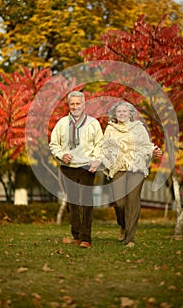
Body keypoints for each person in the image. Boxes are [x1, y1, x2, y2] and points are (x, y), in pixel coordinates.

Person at [102, 102, 162, 248]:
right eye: (119, 111)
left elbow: (146, 146)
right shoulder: (110, 129)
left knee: (133, 200)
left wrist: (153, 151)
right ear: (114, 114)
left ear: (130, 113)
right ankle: (122, 225)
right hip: (118, 167)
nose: (122, 113)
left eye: (125, 111)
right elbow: (105, 148)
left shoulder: (139, 128)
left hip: (136, 167)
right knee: (119, 202)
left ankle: (130, 238)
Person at [49, 91, 103, 248]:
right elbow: (54, 144)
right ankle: (76, 234)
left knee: (86, 202)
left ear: (84, 104)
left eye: (78, 103)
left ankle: (86, 238)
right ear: (69, 105)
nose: (75, 107)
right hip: (68, 168)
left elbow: (100, 144)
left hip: (87, 167)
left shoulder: (93, 123)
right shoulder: (61, 124)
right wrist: (61, 154)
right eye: (72, 104)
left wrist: (96, 161)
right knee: (72, 203)